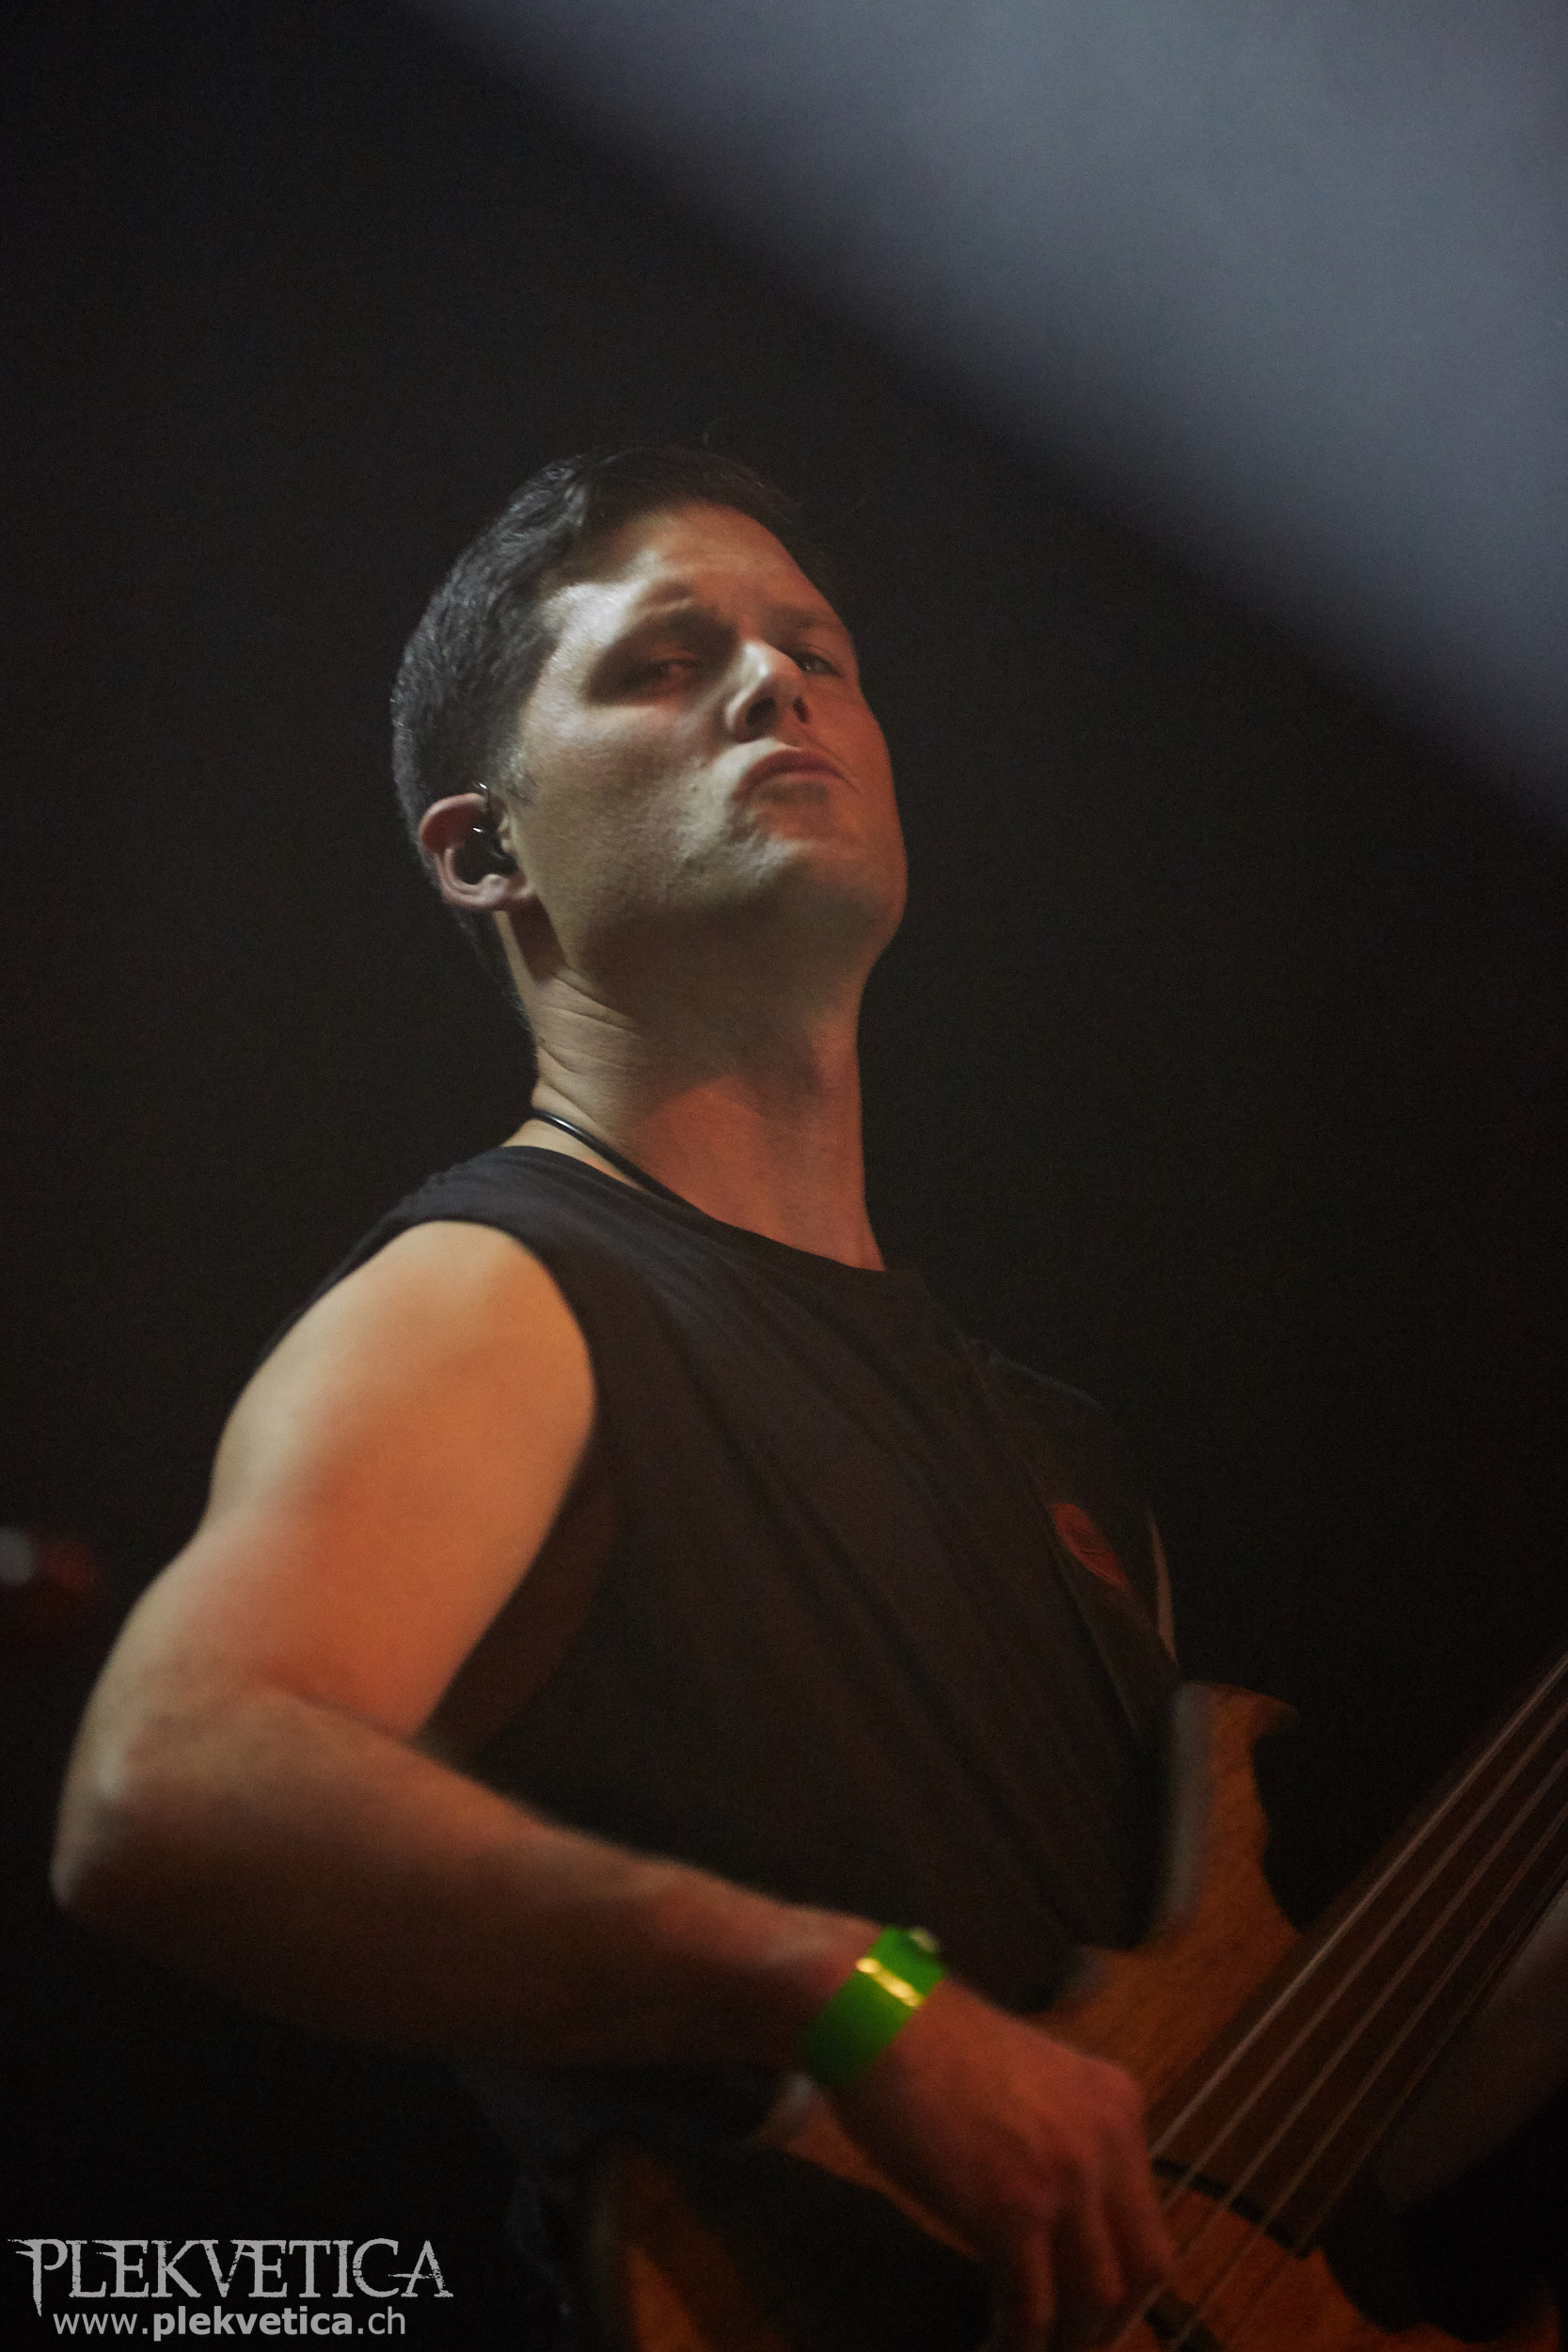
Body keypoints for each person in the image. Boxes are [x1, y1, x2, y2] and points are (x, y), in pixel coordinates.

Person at [52, 449, 1564, 2347]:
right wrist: (846, 1991)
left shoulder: (1064, 1460)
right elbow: (167, 1783)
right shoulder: (498, 1296)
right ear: (482, 850)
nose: (776, 682)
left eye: (817, 651)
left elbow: (1242, 2182)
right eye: (663, 660)